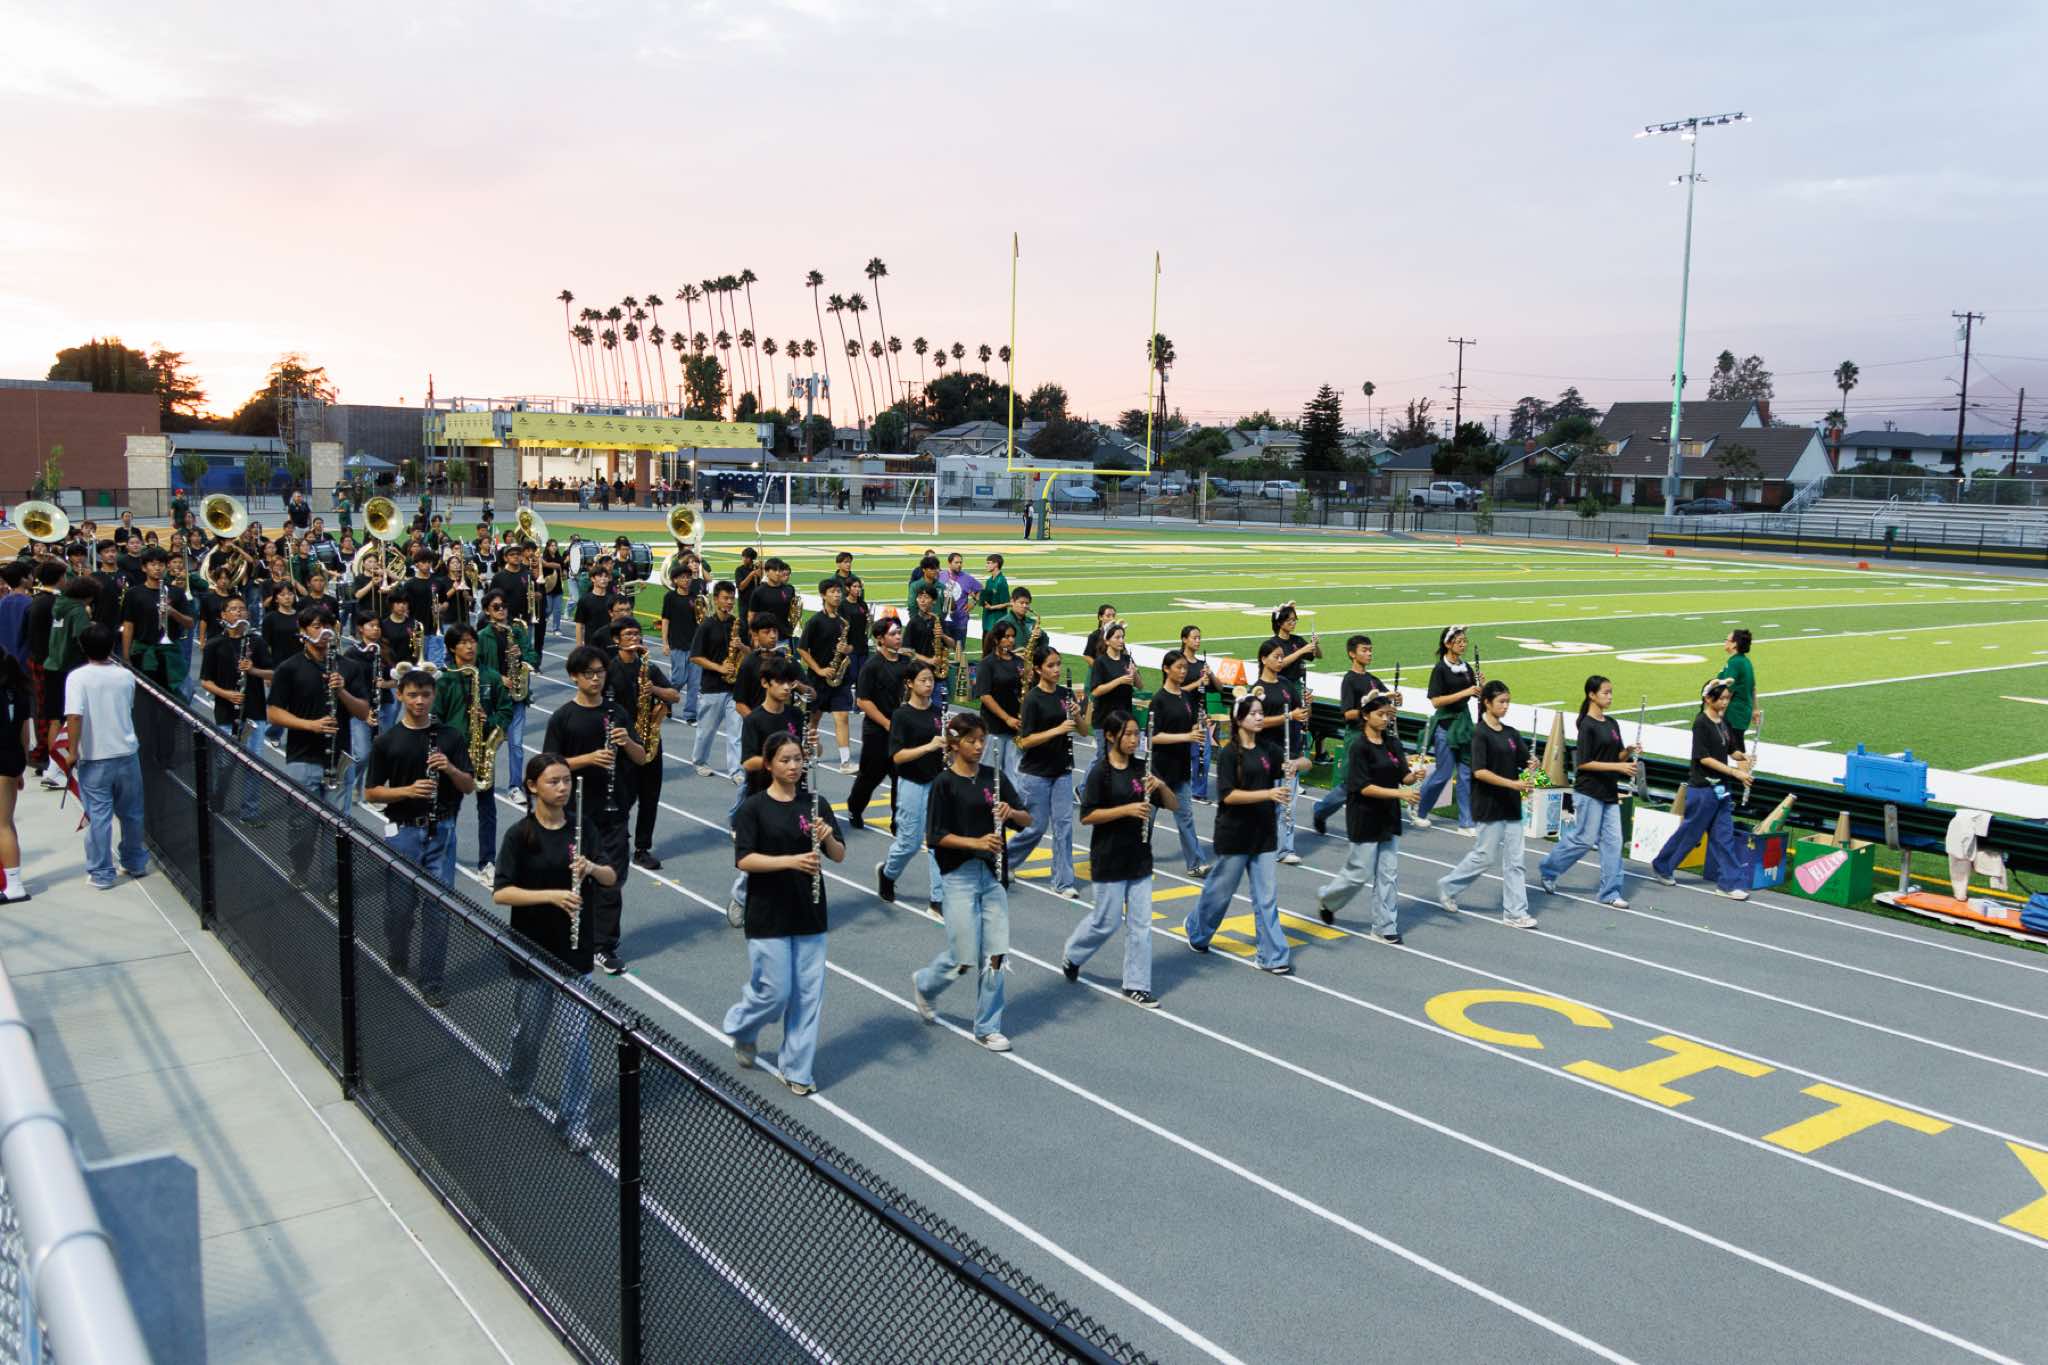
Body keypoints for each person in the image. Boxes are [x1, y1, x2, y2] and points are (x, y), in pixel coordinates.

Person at [494, 753, 613, 1152]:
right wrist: (551, 896)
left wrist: (591, 869)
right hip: (532, 951)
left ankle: (574, 1120)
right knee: (529, 1034)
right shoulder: (520, 835)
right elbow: (501, 893)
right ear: (532, 787)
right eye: (553, 781)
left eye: (566, 781)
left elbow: (611, 876)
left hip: (575, 955)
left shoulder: (583, 829)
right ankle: (518, 1080)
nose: (563, 788)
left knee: (576, 1043)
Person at [724, 732, 845, 1095]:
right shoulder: (753, 808)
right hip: (768, 913)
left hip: (810, 912)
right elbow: (745, 859)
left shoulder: (816, 803)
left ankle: (796, 1069)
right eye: (785, 760)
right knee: (775, 993)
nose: (794, 766)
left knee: (808, 995)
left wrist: (827, 836)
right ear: (769, 765)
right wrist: (791, 861)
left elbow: (839, 855)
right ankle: (743, 1026)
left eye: (798, 759)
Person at [913, 713, 1027, 1050]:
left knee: (995, 954)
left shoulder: (995, 778)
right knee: (963, 957)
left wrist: (1011, 813)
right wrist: (975, 843)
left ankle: (987, 1027)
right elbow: (935, 836)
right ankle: (926, 984)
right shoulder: (944, 784)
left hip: (992, 875)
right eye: (971, 740)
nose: (979, 746)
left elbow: (1027, 819)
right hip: (958, 875)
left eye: (982, 740)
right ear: (954, 744)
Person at [366, 662, 475, 1007]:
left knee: (438, 910)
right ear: (400, 695)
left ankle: (432, 981)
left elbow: (469, 786)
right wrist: (408, 791)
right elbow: (371, 792)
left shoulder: (450, 737)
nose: (419, 701)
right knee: (400, 909)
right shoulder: (387, 741)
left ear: (434, 696)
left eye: (425, 695)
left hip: (441, 831)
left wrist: (450, 768)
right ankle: (398, 952)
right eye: (412, 695)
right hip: (403, 832)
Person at [541, 645, 647, 974]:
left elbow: (641, 757)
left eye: (600, 672)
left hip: (613, 812)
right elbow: (547, 765)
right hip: (573, 813)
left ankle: (603, 945)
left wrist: (627, 742)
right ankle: (565, 937)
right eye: (589, 673)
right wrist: (588, 759)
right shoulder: (563, 717)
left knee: (610, 880)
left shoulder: (617, 713)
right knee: (571, 878)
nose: (596, 679)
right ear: (574, 676)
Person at [1065, 708, 1173, 1007]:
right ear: (1111, 736)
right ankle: (1074, 954)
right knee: (1106, 922)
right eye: (1128, 734)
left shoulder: (1143, 768)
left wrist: (1161, 786)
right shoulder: (1101, 772)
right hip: (1109, 856)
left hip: (1140, 857)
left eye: (1137, 734)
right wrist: (1126, 810)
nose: (1134, 740)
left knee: (1141, 925)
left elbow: (1173, 805)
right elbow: (1087, 816)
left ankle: (1136, 985)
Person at [267, 606, 373, 899]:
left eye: (327, 626)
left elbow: (363, 712)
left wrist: (342, 692)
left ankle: (333, 885)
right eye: (316, 626)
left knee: (337, 828)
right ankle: (300, 867)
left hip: (338, 760)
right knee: (301, 825)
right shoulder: (289, 668)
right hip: (302, 759)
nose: (323, 632)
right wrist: (310, 725)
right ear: (303, 632)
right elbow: (274, 713)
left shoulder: (348, 667)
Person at [1181, 694, 1291, 973]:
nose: (1259, 717)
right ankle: (1197, 929)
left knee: (1266, 897)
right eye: (1253, 713)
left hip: (1264, 834)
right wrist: (1268, 793)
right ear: (1239, 719)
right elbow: (1228, 795)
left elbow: (1302, 763)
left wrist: (1297, 765)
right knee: (1220, 894)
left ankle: (1272, 956)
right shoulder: (1230, 754)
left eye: (1261, 712)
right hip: (1235, 834)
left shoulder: (1269, 749)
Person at [1315, 691, 1421, 942]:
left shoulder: (1392, 743)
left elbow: (1403, 775)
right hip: (1364, 815)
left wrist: (1414, 776)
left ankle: (1385, 926)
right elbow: (1364, 787)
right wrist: (1400, 793)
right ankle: (1328, 899)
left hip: (1388, 816)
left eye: (1388, 715)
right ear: (1366, 715)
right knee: (1358, 873)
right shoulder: (1359, 747)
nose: (1385, 719)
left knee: (1388, 873)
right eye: (1380, 714)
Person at [1436, 680, 1537, 927]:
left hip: (1511, 806)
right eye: (1501, 702)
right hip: (1489, 804)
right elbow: (1480, 772)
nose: (1506, 706)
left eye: (1508, 702)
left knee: (1516, 862)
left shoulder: (1511, 734)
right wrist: (1513, 784)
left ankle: (1515, 912)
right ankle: (1448, 886)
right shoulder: (1479, 734)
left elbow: (1525, 761)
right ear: (1487, 703)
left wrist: (1534, 765)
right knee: (1484, 856)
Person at [1538, 675, 1638, 909]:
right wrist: (1618, 767)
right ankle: (1549, 869)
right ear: (1592, 695)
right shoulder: (1587, 725)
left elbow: (1616, 757)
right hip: (1589, 791)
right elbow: (1584, 763)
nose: (1610, 697)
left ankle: (1610, 892)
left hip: (1609, 792)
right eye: (1605, 692)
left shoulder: (1612, 723)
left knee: (1614, 842)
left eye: (1611, 692)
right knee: (1584, 839)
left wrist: (1628, 752)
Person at [1651, 677, 1756, 900]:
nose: (1726, 702)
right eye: (1722, 698)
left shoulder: (1723, 722)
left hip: (1722, 789)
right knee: (1691, 833)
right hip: (1703, 789)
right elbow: (1704, 758)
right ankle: (1663, 865)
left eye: (1728, 698)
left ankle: (1728, 884)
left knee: (1724, 837)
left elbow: (1731, 750)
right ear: (1708, 699)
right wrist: (1735, 772)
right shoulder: (1701, 723)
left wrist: (1743, 757)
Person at [64, 625, 148, 890]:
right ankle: (135, 862)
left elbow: (74, 716)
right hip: (127, 753)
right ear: (112, 646)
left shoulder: (77, 678)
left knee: (99, 817)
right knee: (132, 813)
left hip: (94, 757)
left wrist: (72, 751)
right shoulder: (125, 675)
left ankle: (102, 873)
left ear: (83, 648)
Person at [435, 624, 513, 880]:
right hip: (454, 754)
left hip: (482, 750)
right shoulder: (445, 679)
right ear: (451, 648)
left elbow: (506, 711)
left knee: (487, 809)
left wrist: (489, 721)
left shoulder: (490, 676)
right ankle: (442, 856)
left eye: (472, 641)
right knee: (449, 808)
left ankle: (487, 861)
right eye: (463, 642)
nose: (470, 646)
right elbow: (436, 718)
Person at [1005, 645, 1082, 900]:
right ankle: (1005, 860)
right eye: (1050, 665)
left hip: (1062, 770)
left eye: (1058, 664)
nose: (1056, 669)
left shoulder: (1065, 694)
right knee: (1035, 827)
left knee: (1064, 827)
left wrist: (1078, 716)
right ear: (1038, 669)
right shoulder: (1033, 699)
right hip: (1036, 772)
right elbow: (1025, 741)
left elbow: (1083, 730)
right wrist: (1057, 730)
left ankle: (1063, 881)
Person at [1313, 634, 1403, 836]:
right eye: (1364, 650)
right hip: (1357, 737)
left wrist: (1395, 700)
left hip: (1376, 738)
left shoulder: (1373, 680)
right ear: (1352, 654)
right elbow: (1347, 714)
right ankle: (1321, 810)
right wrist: (1366, 707)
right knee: (1350, 785)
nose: (1369, 653)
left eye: (1370, 650)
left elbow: (1386, 703)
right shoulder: (1350, 680)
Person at [196, 595, 274, 825]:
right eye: (233, 609)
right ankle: (218, 799)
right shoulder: (214, 644)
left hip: (255, 713)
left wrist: (253, 670)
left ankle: (250, 812)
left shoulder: (256, 642)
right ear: (223, 615)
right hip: (226, 714)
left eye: (241, 608)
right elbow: (205, 681)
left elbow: (272, 673)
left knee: (254, 765)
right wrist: (227, 694)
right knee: (225, 764)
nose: (238, 612)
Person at [876, 661, 946, 912]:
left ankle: (938, 899)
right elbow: (897, 757)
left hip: (936, 783)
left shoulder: (938, 712)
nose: (929, 685)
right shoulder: (902, 715)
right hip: (912, 784)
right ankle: (888, 873)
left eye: (931, 680)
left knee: (938, 842)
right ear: (909, 683)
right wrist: (929, 747)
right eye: (923, 680)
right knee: (910, 843)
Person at [608, 620, 678, 871]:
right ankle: (617, 838)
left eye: (637, 634)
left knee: (650, 798)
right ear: (616, 640)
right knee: (622, 797)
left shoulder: (649, 667)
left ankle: (642, 848)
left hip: (650, 740)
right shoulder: (610, 670)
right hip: (623, 742)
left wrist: (654, 689)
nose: (634, 638)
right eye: (628, 634)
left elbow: (675, 695)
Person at [1145, 652, 1209, 875]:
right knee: (1146, 819)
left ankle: (1195, 863)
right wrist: (1186, 736)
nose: (1183, 672)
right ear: (1166, 669)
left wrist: (1199, 727)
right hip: (1159, 770)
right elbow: (1153, 737)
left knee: (1186, 818)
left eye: (1185, 668)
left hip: (1181, 769)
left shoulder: (1186, 697)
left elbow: (1190, 727)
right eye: (1178, 667)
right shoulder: (1158, 700)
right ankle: (1137, 857)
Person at [1413, 625, 1481, 833]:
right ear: (1448, 644)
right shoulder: (1440, 669)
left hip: (1464, 726)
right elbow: (1436, 701)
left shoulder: (1466, 667)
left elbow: (1474, 693)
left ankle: (1466, 822)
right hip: (1445, 726)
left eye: (1464, 641)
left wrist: (1480, 688)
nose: (1463, 644)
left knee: (1466, 774)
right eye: (1459, 641)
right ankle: (1419, 809)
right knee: (1443, 774)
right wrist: (1465, 692)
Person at [845, 618, 910, 829]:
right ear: (880, 639)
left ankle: (897, 820)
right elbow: (863, 701)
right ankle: (855, 809)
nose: (898, 637)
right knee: (870, 777)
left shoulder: (905, 663)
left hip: (900, 732)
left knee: (900, 777)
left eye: (899, 633)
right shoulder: (872, 666)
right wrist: (886, 723)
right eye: (893, 634)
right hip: (877, 732)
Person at [1250, 640, 1310, 865]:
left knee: (1287, 804)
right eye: (1276, 656)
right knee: (1266, 803)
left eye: (1282, 657)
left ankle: (1284, 848)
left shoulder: (1286, 684)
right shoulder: (1258, 689)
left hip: (1289, 752)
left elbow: (1299, 712)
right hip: (1265, 753)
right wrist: (1288, 716)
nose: (1280, 660)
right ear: (1263, 659)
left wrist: (1306, 707)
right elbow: (1256, 722)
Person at [476, 590, 537, 810]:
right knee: (492, 742)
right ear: (487, 611)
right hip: (494, 698)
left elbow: (532, 655)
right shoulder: (482, 636)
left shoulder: (517, 631)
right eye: (496, 607)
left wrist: (523, 658)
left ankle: (514, 786)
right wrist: (498, 677)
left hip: (517, 697)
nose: (501, 610)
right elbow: (477, 665)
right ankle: (484, 778)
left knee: (516, 744)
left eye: (504, 606)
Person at [797, 578, 857, 772]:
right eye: (832, 592)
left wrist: (846, 649)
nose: (837, 595)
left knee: (842, 716)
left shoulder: (843, 621)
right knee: (814, 719)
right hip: (819, 679)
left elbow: (852, 645)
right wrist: (819, 670)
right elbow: (802, 649)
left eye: (839, 592)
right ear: (823, 595)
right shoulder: (815, 621)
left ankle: (845, 761)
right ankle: (807, 753)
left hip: (839, 677)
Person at [689, 582, 744, 779]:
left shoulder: (737, 624)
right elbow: (695, 657)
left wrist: (743, 647)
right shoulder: (706, 626)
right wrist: (719, 667)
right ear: (715, 599)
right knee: (706, 731)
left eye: (732, 598)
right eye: (725, 598)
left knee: (736, 733)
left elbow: (749, 654)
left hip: (734, 688)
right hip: (712, 688)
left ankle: (736, 770)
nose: (729, 602)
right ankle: (699, 761)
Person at [972, 621, 1024, 781]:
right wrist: (1006, 718)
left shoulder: (1018, 662)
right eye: (1007, 637)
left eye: (1013, 636)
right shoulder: (987, 664)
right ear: (996, 639)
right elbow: (984, 695)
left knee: (1013, 774)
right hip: (994, 726)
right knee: (989, 771)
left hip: (1015, 726)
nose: (1011, 640)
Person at [0, 647, 32, 902]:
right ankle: (12, 881)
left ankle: (14, 885)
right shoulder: (18, 693)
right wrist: (21, 768)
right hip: (12, 761)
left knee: (2, 826)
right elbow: (24, 736)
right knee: (6, 823)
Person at [659, 556, 703, 727]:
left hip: (695, 646)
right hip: (677, 644)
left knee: (694, 683)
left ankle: (690, 715)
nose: (686, 580)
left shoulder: (695, 597)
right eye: (682, 577)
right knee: (678, 679)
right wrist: (665, 642)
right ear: (675, 580)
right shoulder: (669, 597)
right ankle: (667, 698)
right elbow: (665, 620)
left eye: (688, 577)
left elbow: (701, 620)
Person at [1175, 626, 1216, 801]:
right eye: (1194, 638)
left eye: (1199, 638)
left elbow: (1219, 687)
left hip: (1200, 717)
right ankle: (1176, 787)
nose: (1198, 641)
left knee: (1203, 757)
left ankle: (1198, 791)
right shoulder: (1178, 662)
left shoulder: (1201, 665)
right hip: (1181, 715)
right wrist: (1198, 682)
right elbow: (1175, 690)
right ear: (1184, 639)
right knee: (1180, 755)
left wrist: (1210, 674)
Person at [1085, 621, 1139, 727]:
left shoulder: (1127, 658)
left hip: (1124, 717)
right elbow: (1095, 691)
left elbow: (1140, 685)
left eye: (1122, 637)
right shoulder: (1100, 662)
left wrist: (1135, 673)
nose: (1121, 641)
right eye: (1117, 637)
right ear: (1107, 641)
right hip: (1104, 719)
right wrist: (1119, 681)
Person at [1716, 628, 1759, 752]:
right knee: (1733, 748)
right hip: (1743, 711)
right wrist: (1755, 709)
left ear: (1734, 644)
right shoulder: (1745, 661)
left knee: (1736, 750)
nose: (1725, 642)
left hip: (1733, 713)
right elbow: (1753, 688)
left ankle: (1745, 766)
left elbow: (1729, 690)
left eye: (1727, 640)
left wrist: (1720, 711)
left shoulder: (1735, 663)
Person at [978, 554, 1010, 635]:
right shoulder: (989, 581)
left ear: (996, 564)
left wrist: (992, 607)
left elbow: (1007, 603)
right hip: (987, 621)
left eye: (989, 563)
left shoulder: (1001, 581)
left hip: (997, 622)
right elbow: (987, 599)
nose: (986, 565)